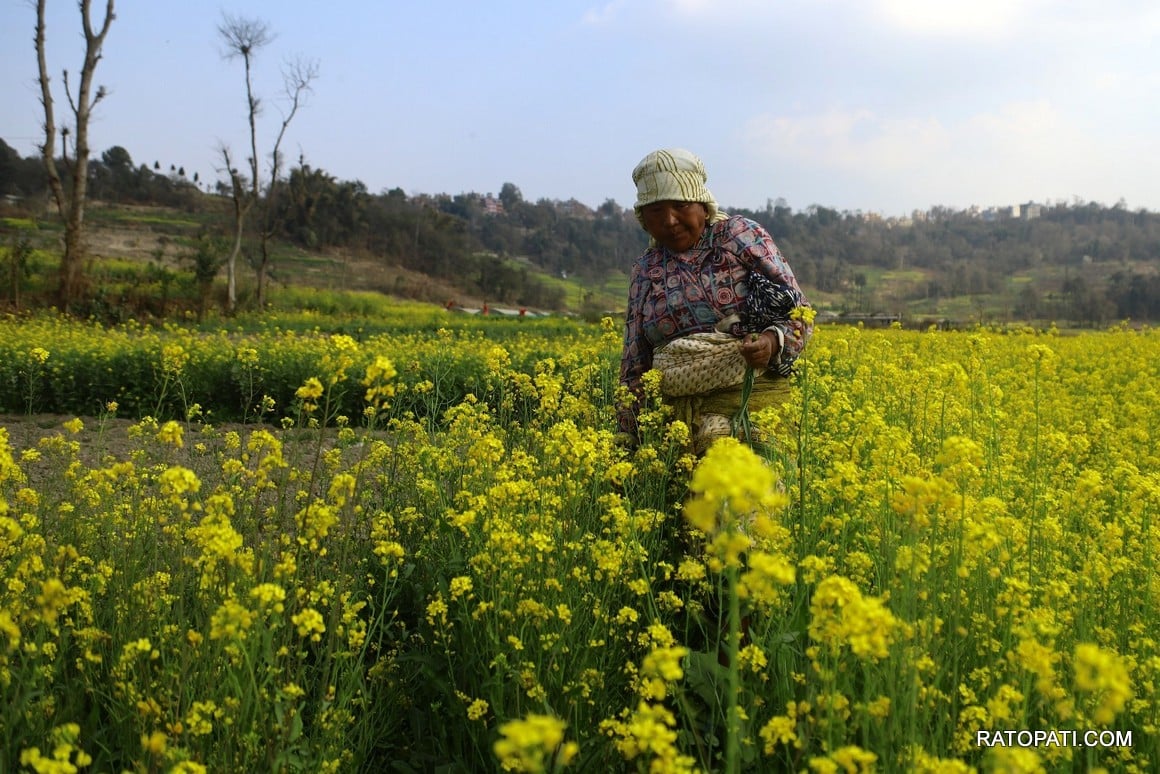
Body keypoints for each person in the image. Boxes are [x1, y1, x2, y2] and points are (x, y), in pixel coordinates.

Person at [617, 148, 813, 454]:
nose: (669, 220)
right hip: (676, 429)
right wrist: (626, 441)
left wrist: (771, 342)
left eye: (680, 205)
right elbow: (634, 361)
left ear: (703, 205)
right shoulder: (646, 269)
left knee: (748, 495)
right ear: (643, 218)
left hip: (752, 408)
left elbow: (800, 312)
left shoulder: (738, 236)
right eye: (655, 211)